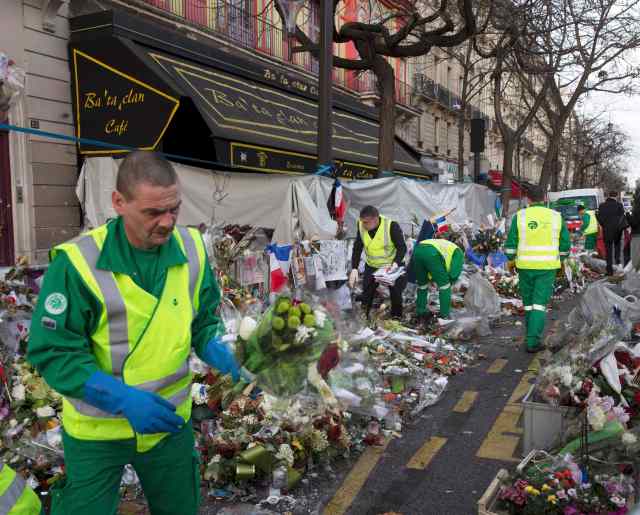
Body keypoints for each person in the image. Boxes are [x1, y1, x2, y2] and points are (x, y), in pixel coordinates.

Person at [27, 151, 240, 515]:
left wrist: (221, 348)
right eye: (153, 212)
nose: (167, 222)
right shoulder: (78, 264)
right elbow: (54, 352)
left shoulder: (193, 252)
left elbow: (203, 321)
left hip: (168, 425)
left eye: (174, 209)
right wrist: (122, 399)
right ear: (118, 203)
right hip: (97, 433)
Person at [505, 186, 570, 353]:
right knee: (539, 304)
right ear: (545, 198)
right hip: (547, 268)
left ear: (528, 199)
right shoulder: (556, 217)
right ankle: (532, 342)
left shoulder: (519, 217)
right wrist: (559, 259)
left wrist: (511, 259)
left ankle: (530, 334)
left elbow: (510, 247)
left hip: (525, 267)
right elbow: (565, 246)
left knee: (528, 304)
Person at [349, 206, 407, 318]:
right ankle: (364, 316)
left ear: (375, 220)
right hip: (372, 265)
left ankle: (396, 318)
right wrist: (354, 268)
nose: (363, 225)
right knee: (367, 292)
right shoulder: (361, 225)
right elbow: (357, 247)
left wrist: (395, 263)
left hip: (391, 266)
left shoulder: (391, 226)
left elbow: (402, 247)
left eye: (366, 222)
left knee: (396, 294)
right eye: (362, 222)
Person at [412, 239, 464, 323]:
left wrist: (434, 279)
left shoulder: (447, 245)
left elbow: (431, 270)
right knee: (445, 287)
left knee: (422, 285)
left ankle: (420, 311)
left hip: (418, 250)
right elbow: (454, 274)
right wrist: (448, 282)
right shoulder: (459, 252)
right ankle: (444, 316)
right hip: (432, 253)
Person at [596, 192, 626, 275]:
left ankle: (609, 269)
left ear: (609, 196)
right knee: (617, 246)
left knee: (608, 250)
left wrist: (604, 225)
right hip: (617, 231)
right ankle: (618, 264)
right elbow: (622, 217)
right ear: (616, 196)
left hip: (606, 231)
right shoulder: (619, 205)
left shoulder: (602, 206)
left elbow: (600, 218)